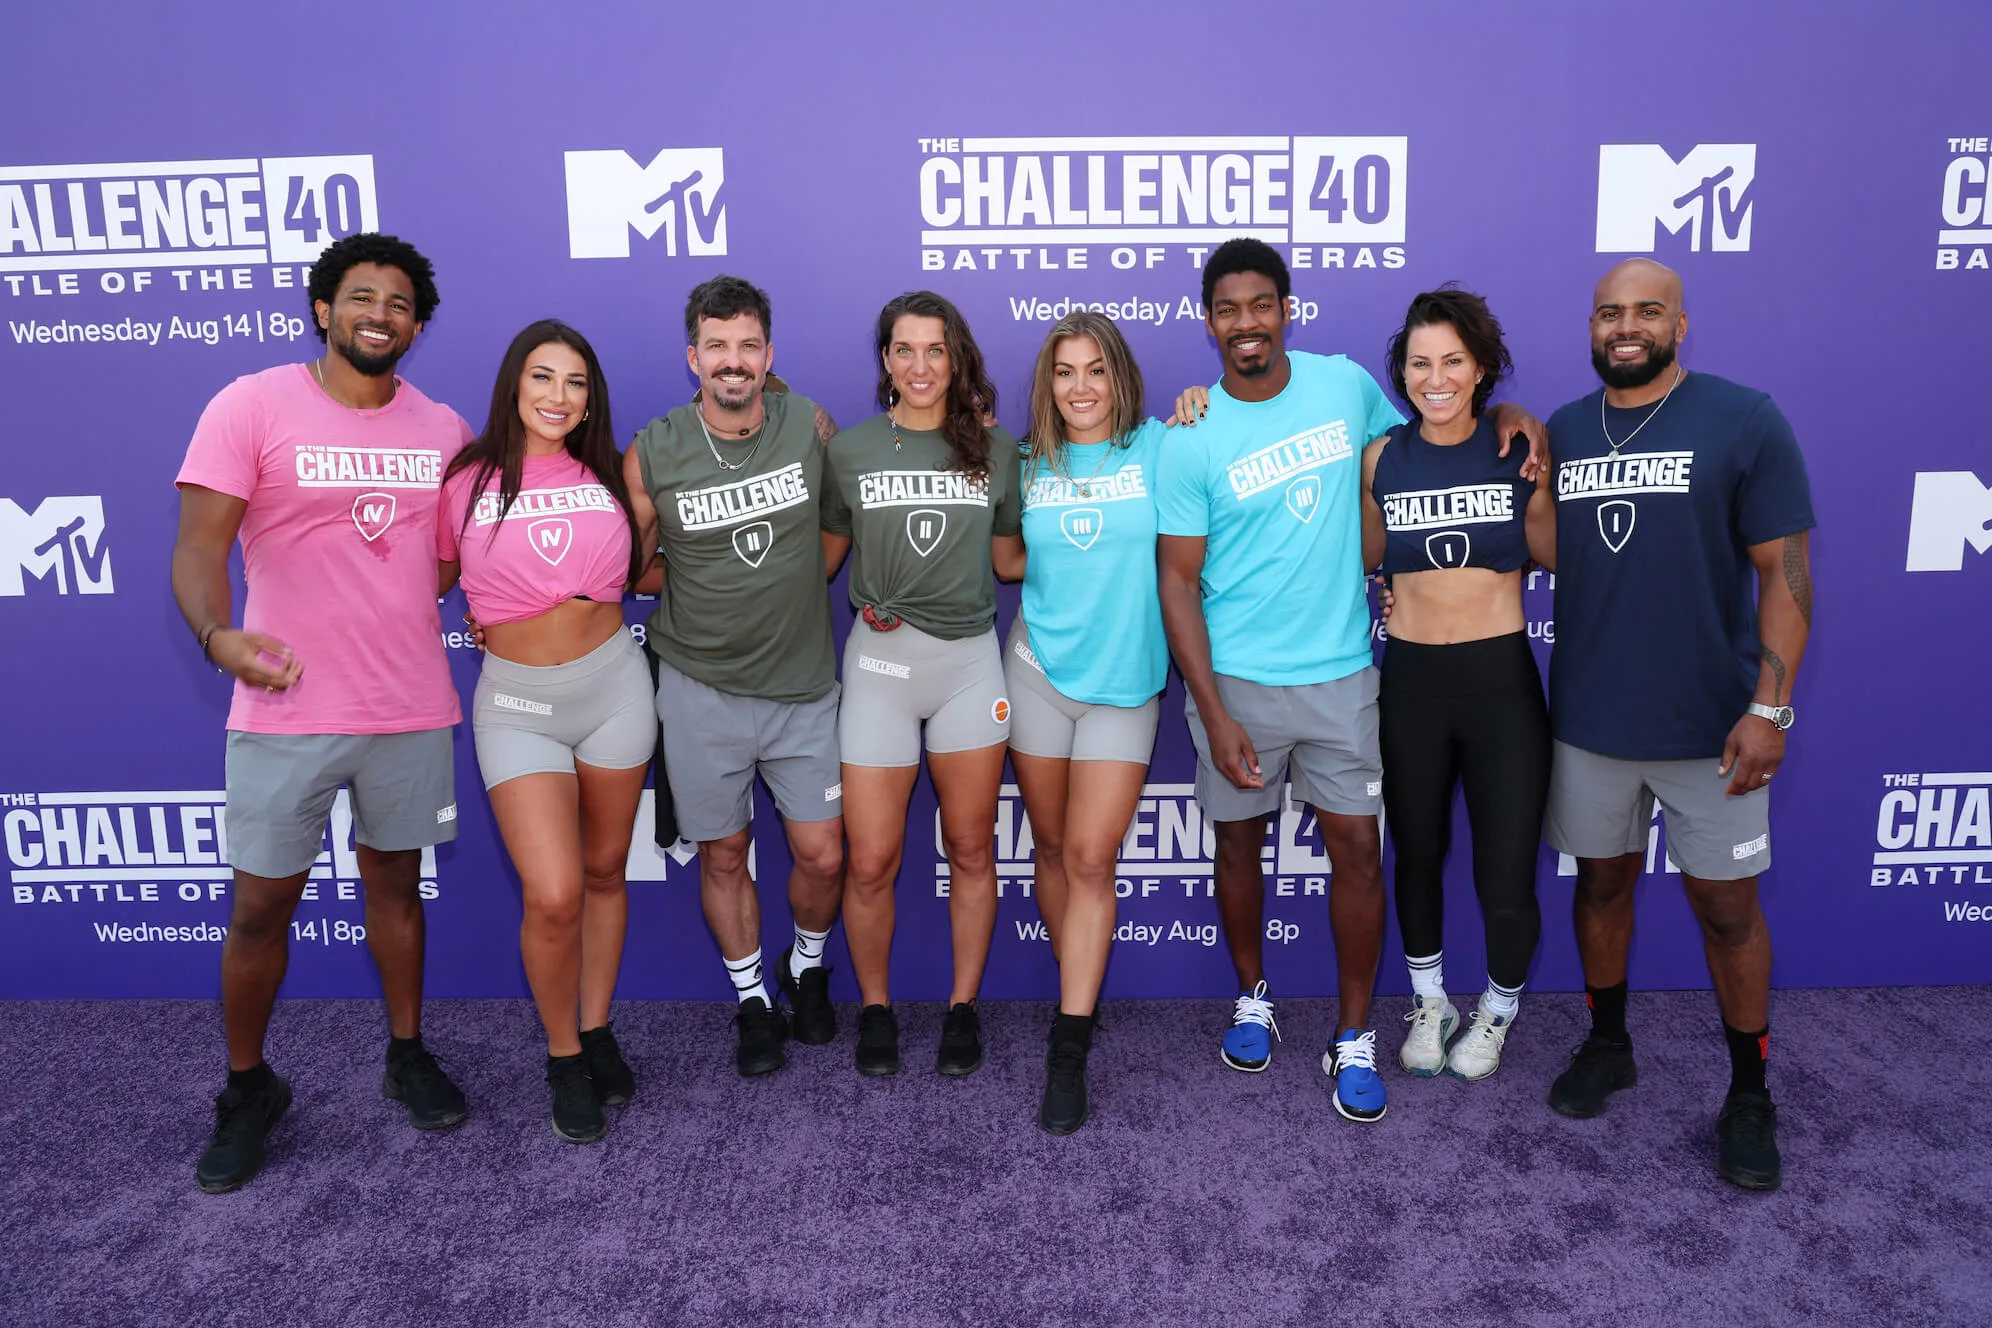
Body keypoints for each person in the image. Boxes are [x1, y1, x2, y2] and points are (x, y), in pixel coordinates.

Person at [1159, 239, 1544, 1124]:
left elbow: (1439, 425)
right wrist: (1211, 709)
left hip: (1341, 675)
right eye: (1228, 308)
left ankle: (1355, 1035)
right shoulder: (1190, 434)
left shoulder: (1344, 387)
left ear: (1287, 309)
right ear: (1208, 319)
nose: (1246, 322)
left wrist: (1516, 411)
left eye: (1262, 304)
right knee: (1237, 849)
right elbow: (1176, 582)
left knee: (1361, 856)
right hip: (1238, 682)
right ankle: (1253, 996)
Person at [171, 233, 471, 1193]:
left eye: (397, 303)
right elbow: (197, 546)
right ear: (322, 309)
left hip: (408, 703)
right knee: (260, 907)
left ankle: (406, 1051)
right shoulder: (249, 404)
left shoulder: (443, 426)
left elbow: (451, 558)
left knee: (396, 886)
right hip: (285, 706)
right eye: (360, 296)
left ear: (416, 326)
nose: (378, 313)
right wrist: (219, 636)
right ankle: (248, 1086)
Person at [1541, 259, 1813, 1192]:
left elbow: (1785, 575)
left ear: (1681, 325)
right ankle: (1609, 1043)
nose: (1628, 326)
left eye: (1647, 311)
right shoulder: (1567, 429)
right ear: (1590, 326)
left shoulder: (1744, 418)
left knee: (1729, 913)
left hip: (1713, 730)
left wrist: (1769, 707)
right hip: (1589, 725)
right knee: (1602, 891)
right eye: (1610, 311)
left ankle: (1749, 1094)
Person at [622, 276, 845, 1078]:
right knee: (725, 855)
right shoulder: (653, 451)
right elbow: (630, 565)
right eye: (717, 346)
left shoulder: (808, 426)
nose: (734, 361)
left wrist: (792, 592)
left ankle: (807, 966)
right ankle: (751, 997)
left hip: (802, 685)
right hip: (698, 687)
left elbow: (839, 526)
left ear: (769, 356)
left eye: (748, 346)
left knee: (822, 854)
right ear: (693, 358)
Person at [438, 320, 650, 1143]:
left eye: (575, 383)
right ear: (514, 386)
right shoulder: (468, 479)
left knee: (603, 873)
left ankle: (596, 1027)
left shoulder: (608, 470)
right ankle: (563, 1054)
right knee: (554, 892)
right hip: (518, 702)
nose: (558, 397)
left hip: (616, 690)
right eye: (542, 378)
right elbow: (426, 578)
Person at [822, 290, 1023, 1078]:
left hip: (969, 665)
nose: (920, 366)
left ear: (956, 356)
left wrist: (1109, 559)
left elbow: (1012, 560)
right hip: (877, 668)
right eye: (904, 350)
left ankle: (962, 1007)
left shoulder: (997, 451)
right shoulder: (850, 451)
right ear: (885, 362)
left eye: (934, 350)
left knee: (971, 849)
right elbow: (822, 563)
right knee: (870, 860)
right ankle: (875, 1008)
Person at [1359, 286, 1554, 1084]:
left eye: (1452, 362)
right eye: (1418, 363)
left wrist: (1530, 429)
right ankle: (1430, 1001)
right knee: (1417, 854)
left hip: (1500, 683)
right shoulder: (1381, 457)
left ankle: (1498, 1010)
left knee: (1504, 873)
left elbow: (1558, 553)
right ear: (1401, 372)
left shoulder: (1520, 450)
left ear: (1481, 371)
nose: (1434, 378)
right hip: (1410, 682)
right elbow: (1368, 558)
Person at [1007, 312, 1171, 1133]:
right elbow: (1005, 557)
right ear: (1049, 381)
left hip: (1125, 685)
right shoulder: (1025, 461)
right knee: (1047, 848)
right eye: (1066, 370)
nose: (1081, 386)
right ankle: (1079, 983)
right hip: (1035, 674)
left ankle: (1067, 1048)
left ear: (1119, 378)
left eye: (1096, 370)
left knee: (1089, 855)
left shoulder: (1160, 450)